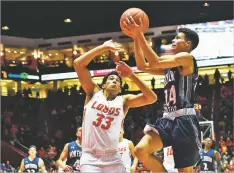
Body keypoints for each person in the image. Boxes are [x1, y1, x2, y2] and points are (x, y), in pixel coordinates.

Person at [122, 16, 201, 172]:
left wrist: (140, 35)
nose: (173, 40)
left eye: (177, 38)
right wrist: (136, 39)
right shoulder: (171, 64)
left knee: (184, 171)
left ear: (188, 44)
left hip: (184, 119)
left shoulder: (187, 58)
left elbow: (154, 62)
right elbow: (142, 65)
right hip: (167, 118)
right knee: (140, 150)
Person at [73, 40, 157, 173]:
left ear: (120, 89)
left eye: (117, 81)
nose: (114, 81)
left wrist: (131, 75)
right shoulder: (93, 93)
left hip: (113, 155)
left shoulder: (123, 100)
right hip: (90, 156)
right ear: (103, 85)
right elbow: (78, 64)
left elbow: (152, 98)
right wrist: (103, 47)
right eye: (111, 79)